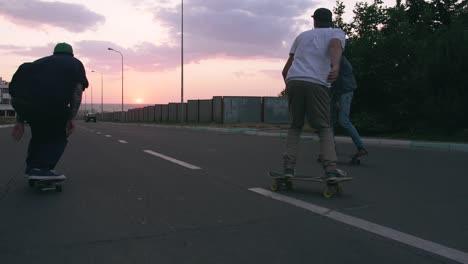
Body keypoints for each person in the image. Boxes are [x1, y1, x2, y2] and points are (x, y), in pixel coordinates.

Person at [281, 8, 346, 180]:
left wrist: (289, 85)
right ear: (330, 21)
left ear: (315, 21)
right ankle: (331, 169)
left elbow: (286, 69)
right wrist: (336, 66)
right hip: (316, 82)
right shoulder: (336, 33)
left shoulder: (302, 36)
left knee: (295, 126)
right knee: (323, 127)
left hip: (294, 79)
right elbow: (334, 46)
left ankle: (288, 169)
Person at [9, 42, 88, 180]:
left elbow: (25, 91)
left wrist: (20, 121)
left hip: (22, 103)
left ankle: (33, 168)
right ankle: (42, 169)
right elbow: (77, 92)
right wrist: (70, 118)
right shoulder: (75, 64)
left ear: (54, 53)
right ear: (71, 54)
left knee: (39, 135)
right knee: (59, 136)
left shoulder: (39, 63)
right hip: (50, 104)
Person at [330, 56, 368, 158]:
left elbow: (338, 79)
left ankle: (361, 148)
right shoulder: (336, 57)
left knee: (343, 121)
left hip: (344, 92)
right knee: (329, 121)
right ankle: (329, 150)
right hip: (339, 92)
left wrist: (337, 99)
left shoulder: (336, 58)